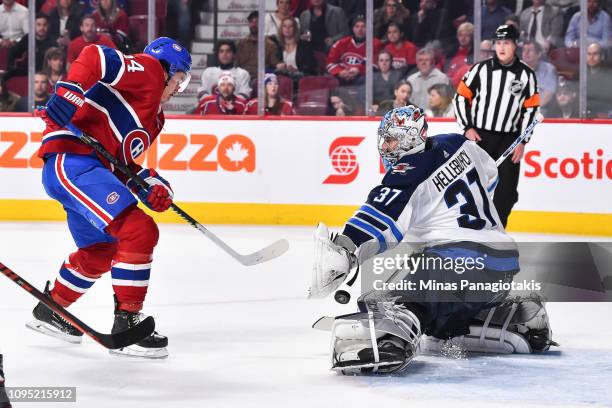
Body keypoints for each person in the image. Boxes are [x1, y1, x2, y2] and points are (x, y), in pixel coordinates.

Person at [309, 105, 555, 374]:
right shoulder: (460, 142)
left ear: (410, 138)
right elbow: (491, 178)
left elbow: (380, 216)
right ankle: (513, 316)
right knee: (439, 328)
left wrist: (346, 246)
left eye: (391, 139)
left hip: (456, 263)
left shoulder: (407, 172)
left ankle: (389, 341)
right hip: (503, 262)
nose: (385, 146)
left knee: (393, 299)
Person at [27, 37, 192, 359]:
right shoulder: (149, 71)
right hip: (73, 161)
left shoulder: (154, 119)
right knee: (138, 230)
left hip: (88, 171)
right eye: (179, 78)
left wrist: (149, 184)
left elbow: (121, 164)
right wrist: (71, 87)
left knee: (103, 250)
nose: (177, 87)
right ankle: (127, 323)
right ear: (168, 69)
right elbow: (94, 56)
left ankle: (51, 310)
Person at [453, 24, 540, 227]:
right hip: (480, 137)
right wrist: (467, 127)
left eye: (506, 43)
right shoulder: (480, 69)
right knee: (472, 186)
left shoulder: (527, 75)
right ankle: (469, 229)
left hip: (510, 140)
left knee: (507, 191)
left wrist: (522, 141)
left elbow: (531, 110)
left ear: (515, 45)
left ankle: (496, 233)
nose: (501, 47)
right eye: (498, 42)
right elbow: (460, 98)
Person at [326, 16, 383, 85]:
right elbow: (330, 62)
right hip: (341, 77)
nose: (360, 29)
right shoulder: (341, 43)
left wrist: (359, 70)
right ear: (353, 29)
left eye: (363, 27)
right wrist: (339, 72)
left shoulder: (375, 44)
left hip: (362, 79)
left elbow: (376, 65)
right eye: (357, 26)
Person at [236, 11, 280, 82]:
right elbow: (235, 65)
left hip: (262, 79)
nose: (254, 24)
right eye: (251, 22)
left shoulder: (270, 45)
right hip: (242, 79)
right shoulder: (240, 44)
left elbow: (274, 65)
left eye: (257, 22)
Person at [521, 40, 558, 108]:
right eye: (524, 50)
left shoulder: (549, 69)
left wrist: (532, 110)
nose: (526, 53)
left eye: (530, 50)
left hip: (542, 108)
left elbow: (548, 95)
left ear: (539, 54)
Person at [586, 42, 612, 117]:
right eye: (589, 54)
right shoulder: (579, 74)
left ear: (602, 56)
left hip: (605, 113)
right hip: (585, 113)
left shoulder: (609, 74)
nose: (591, 57)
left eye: (595, 54)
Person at [445, 22, 474, 88]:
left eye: (466, 35)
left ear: (472, 37)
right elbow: (446, 70)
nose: (463, 38)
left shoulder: (474, 53)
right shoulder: (450, 52)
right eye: (460, 35)